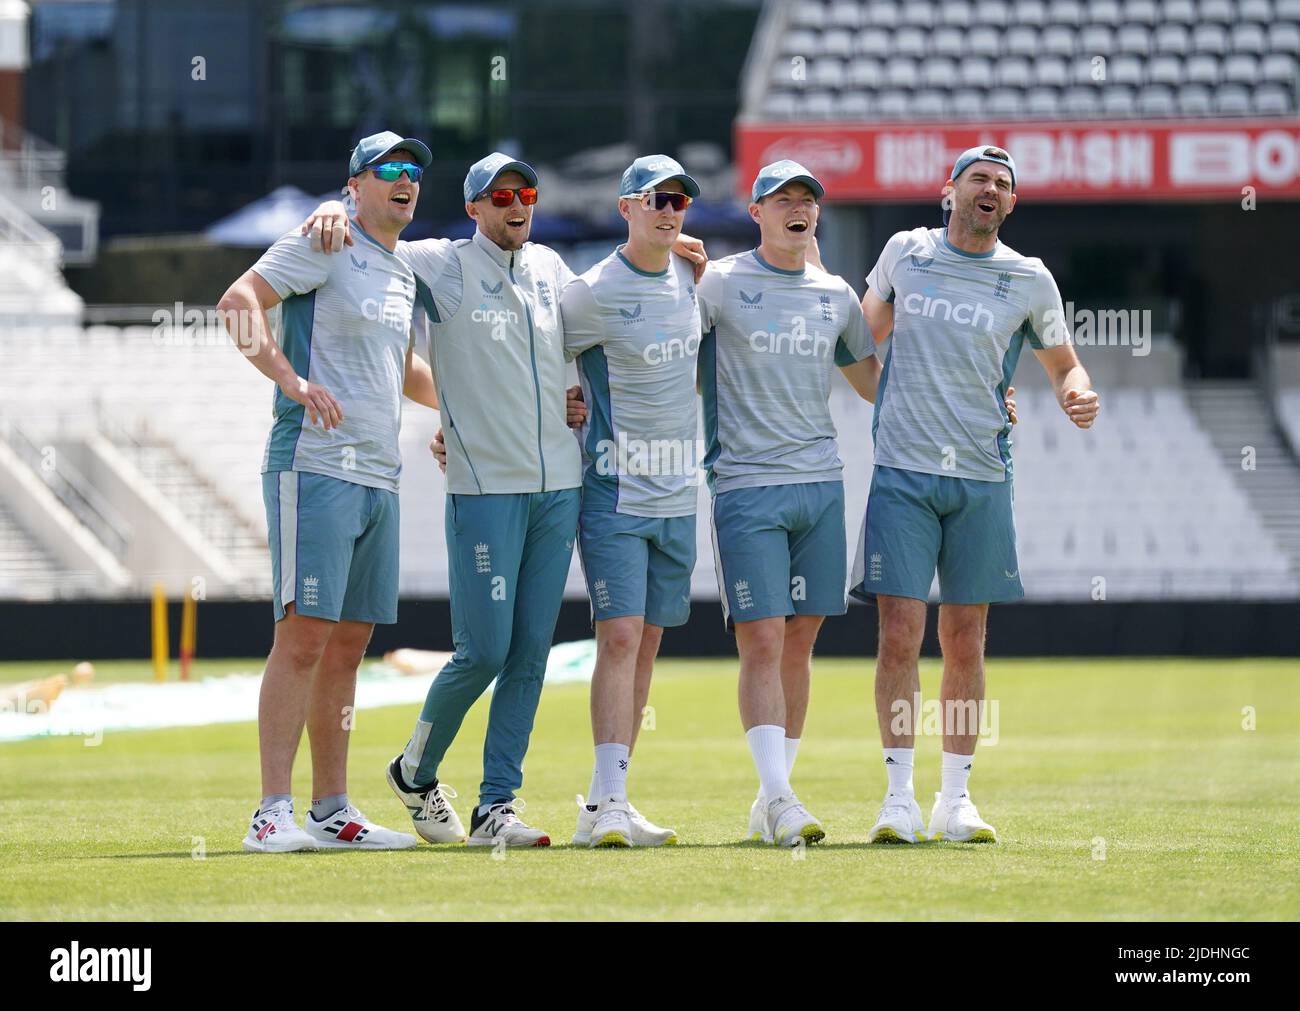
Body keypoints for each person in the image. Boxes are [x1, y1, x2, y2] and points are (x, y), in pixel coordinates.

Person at [302, 152, 706, 848]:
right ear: (474, 209)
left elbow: (607, 327)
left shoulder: (552, 270)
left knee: (529, 653)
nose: (516, 203)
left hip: (559, 489)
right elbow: (378, 244)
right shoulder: (445, 264)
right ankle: (414, 767)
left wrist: (674, 259)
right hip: (486, 490)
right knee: (483, 650)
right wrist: (337, 208)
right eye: (499, 195)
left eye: (525, 191)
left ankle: (498, 804)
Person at [852, 145, 1100, 844]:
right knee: (898, 633)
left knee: (965, 638)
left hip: (983, 478)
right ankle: (897, 796)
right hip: (902, 471)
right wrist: (889, 399)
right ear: (950, 190)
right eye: (978, 179)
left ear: (1012, 203)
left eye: (1003, 183)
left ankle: (954, 799)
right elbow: (858, 343)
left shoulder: (1028, 279)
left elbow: (1065, 365)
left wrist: (1077, 394)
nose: (990, 188)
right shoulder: (907, 252)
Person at [219, 131, 441, 852]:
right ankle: (269, 812)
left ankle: (332, 809)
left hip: (379, 473)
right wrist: (290, 380)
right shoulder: (324, 238)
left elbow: (403, 367)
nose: (407, 180)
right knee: (304, 634)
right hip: (315, 462)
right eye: (391, 170)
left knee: (349, 643)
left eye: (414, 171)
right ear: (355, 185)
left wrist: (468, 415)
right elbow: (237, 300)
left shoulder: (402, 266)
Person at [696, 161, 879, 847]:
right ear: (757, 211)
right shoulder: (721, 282)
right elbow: (667, 356)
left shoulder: (836, 295)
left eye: (808, 201)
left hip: (820, 484)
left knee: (801, 638)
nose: (798, 209)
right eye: (784, 200)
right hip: (745, 484)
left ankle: (776, 792)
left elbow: (871, 383)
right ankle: (778, 795)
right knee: (763, 637)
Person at [561, 156, 703, 848]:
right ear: (625, 208)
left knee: (645, 647)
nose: (670, 210)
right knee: (618, 637)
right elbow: (535, 354)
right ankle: (609, 799)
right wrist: (561, 397)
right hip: (615, 490)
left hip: (680, 494)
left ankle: (606, 802)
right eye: (657, 200)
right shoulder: (592, 290)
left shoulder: (690, 274)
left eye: (679, 200)